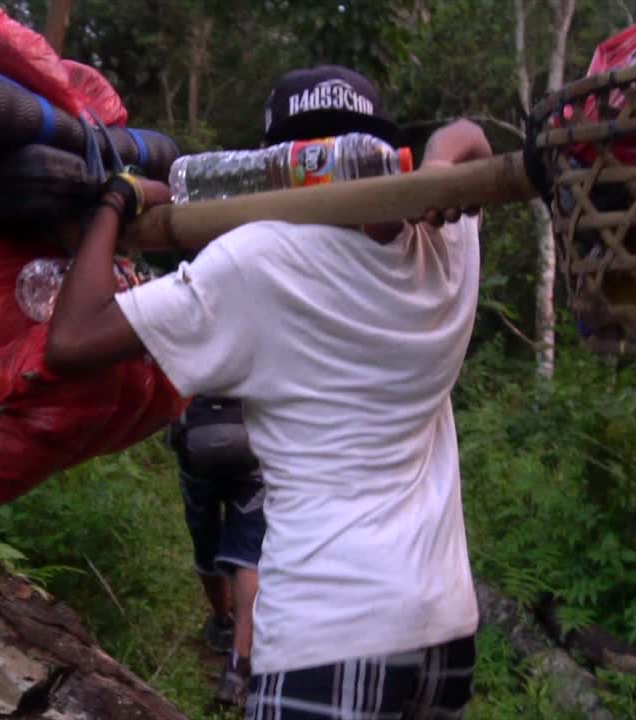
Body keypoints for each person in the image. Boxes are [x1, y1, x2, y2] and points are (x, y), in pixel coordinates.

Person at [46, 64, 490, 719]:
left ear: (275, 163)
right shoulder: (449, 243)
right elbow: (469, 133)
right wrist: (441, 166)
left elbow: (72, 339)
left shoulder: (260, 263)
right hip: (445, 631)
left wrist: (115, 200)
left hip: (331, 632)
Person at [167, 395, 265, 706]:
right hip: (249, 439)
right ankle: (238, 665)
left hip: (198, 441)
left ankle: (222, 620)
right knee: (249, 556)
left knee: (205, 537)